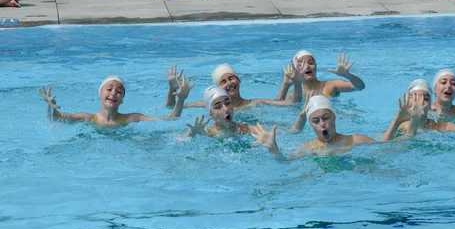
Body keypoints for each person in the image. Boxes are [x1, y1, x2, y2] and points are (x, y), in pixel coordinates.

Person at [38, 74, 193, 127]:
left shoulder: (131, 118)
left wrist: (180, 100)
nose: (114, 93)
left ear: (122, 100)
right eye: (109, 89)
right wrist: (50, 106)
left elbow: (170, 119)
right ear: (100, 94)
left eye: (119, 92)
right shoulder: (89, 118)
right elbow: (55, 119)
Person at [251, 94, 377, 159]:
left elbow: (385, 147)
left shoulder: (356, 140)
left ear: (334, 116)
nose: (322, 123)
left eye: (326, 117)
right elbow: (285, 163)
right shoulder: (309, 148)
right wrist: (273, 149)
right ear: (310, 124)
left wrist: (395, 123)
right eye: (315, 121)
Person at [386, 79, 455, 136]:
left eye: (426, 98)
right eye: (416, 98)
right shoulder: (402, 126)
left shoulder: (441, 126)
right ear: (407, 102)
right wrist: (414, 121)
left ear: (430, 105)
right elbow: (394, 149)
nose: (421, 102)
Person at [179, 62, 304, 109]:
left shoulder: (255, 103)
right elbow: (171, 108)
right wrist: (178, 96)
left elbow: (293, 104)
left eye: (231, 78)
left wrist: (297, 84)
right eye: (223, 82)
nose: (229, 83)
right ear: (217, 89)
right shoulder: (208, 105)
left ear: (239, 80)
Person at [184, 86, 259, 139]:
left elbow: (267, 135)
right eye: (218, 107)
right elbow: (181, 141)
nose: (225, 108)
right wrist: (191, 132)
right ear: (211, 113)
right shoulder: (208, 132)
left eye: (227, 103)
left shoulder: (243, 128)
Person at [284, 51, 366, 98]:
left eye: (311, 62)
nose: (307, 66)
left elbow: (360, 87)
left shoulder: (330, 85)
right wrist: (285, 85)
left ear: (316, 67)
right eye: (301, 64)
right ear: (295, 70)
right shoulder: (292, 94)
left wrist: (348, 75)